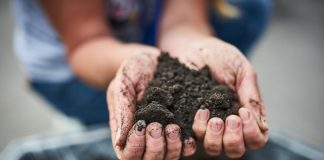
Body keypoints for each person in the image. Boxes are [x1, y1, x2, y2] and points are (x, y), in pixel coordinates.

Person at [12, 0, 271, 159]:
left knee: (248, 6)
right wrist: (136, 61)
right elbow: (86, 42)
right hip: (74, 67)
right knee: (126, 132)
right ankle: (88, 118)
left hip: (147, 35)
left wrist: (198, 46)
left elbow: (182, 24)